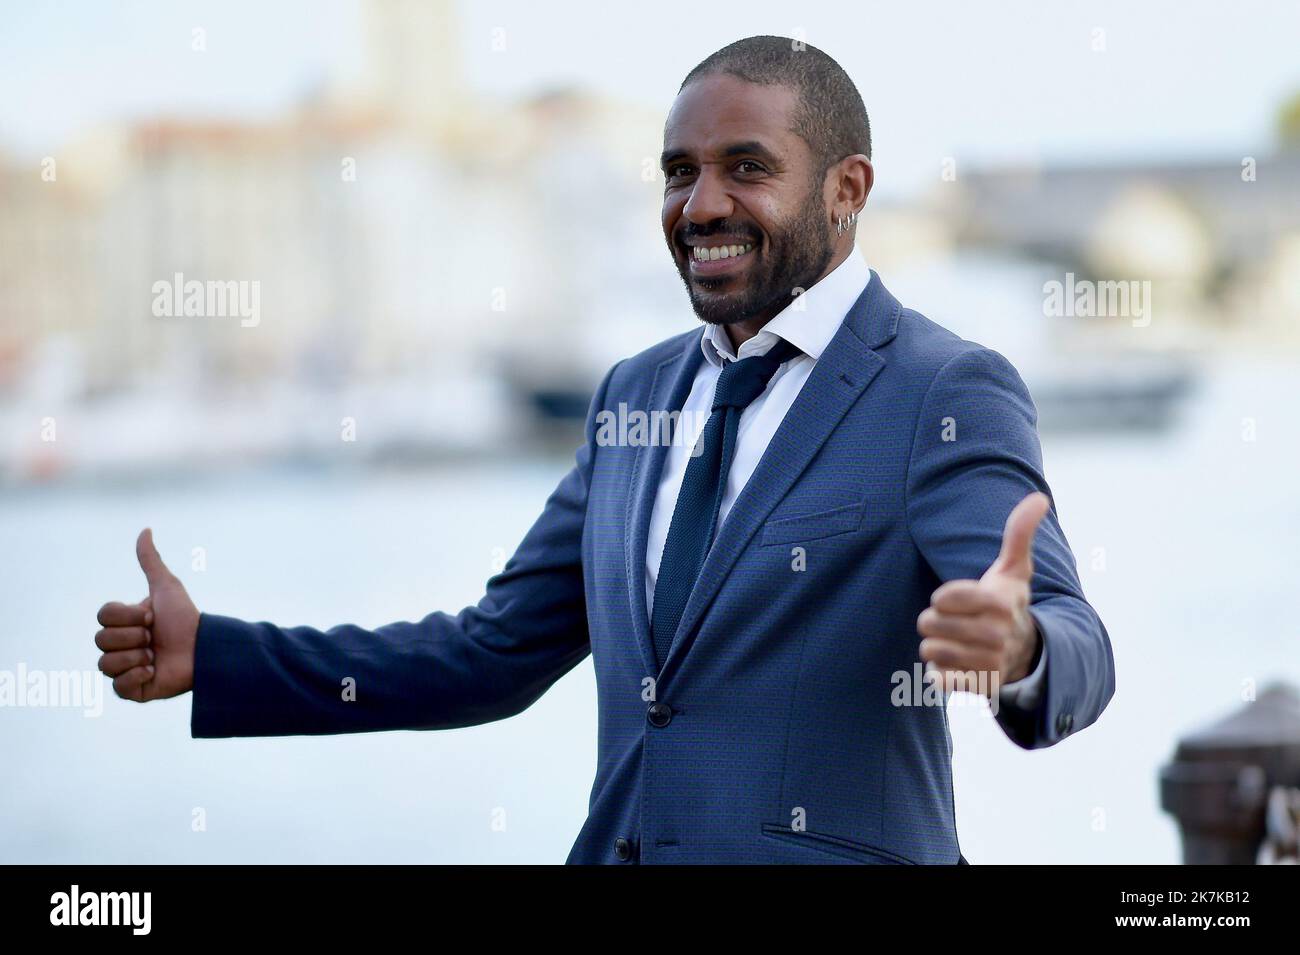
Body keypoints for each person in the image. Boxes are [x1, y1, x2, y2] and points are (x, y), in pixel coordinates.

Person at [93, 35, 1115, 864]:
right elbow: (489, 652)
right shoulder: (633, 396)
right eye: (679, 172)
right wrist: (221, 656)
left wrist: (1019, 649)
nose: (700, 204)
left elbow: (1076, 639)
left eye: (745, 169)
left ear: (847, 189)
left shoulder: (940, 388)